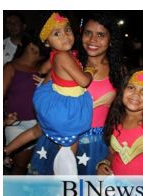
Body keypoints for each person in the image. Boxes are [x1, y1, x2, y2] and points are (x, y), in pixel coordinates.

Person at [32, 13, 94, 175]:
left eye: (67, 30)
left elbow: (44, 69)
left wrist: (47, 74)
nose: (65, 36)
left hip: (61, 100)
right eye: (56, 33)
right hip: (68, 109)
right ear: (46, 42)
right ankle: (67, 179)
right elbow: (84, 81)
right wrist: (89, 71)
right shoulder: (63, 56)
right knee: (69, 148)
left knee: (66, 147)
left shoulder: (57, 55)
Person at [3, 34, 43, 175]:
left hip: (38, 125)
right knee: (20, 166)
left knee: (30, 166)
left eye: (40, 52)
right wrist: (3, 121)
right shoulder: (11, 67)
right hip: (16, 123)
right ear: (28, 45)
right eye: (34, 49)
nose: (37, 53)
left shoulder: (43, 69)